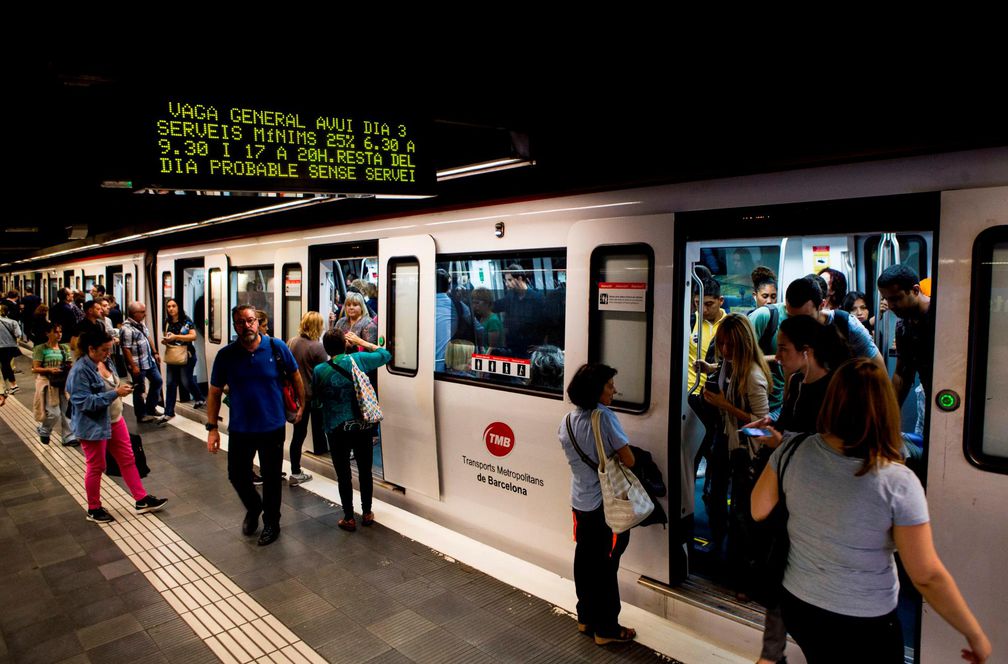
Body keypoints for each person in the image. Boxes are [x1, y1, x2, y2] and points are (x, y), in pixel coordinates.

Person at [751, 359, 991, 663]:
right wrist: (974, 633)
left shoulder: (792, 449)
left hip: (800, 605)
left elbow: (758, 509)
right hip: (864, 619)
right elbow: (926, 575)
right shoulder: (897, 481)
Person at [746, 315, 848, 664]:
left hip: (816, 494)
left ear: (807, 352)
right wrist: (772, 426)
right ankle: (771, 653)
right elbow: (792, 425)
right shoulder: (796, 384)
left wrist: (783, 441)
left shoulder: (836, 389)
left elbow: (829, 444)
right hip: (790, 488)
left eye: (784, 350)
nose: (778, 356)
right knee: (779, 570)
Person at [205, 305, 304, 546]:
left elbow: (295, 375)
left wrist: (302, 405)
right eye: (240, 322)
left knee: (271, 478)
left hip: (272, 426)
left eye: (251, 320)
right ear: (235, 325)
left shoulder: (276, 347)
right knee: (237, 475)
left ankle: (272, 523)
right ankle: (254, 506)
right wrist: (212, 428)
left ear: (258, 322)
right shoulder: (226, 355)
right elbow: (215, 392)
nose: (246, 325)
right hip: (241, 427)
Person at [558, 363, 637, 645]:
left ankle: (585, 617)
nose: (614, 390)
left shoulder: (566, 422)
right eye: (609, 385)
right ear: (596, 390)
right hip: (606, 505)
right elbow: (628, 460)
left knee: (585, 558)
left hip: (580, 501)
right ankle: (606, 628)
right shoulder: (604, 418)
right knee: (607, 563)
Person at [693, 313, 771, 586]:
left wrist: (726, 406)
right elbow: (722, 370)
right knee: (715, 497)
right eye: (722, 344)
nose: (725, 351)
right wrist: (709, 368)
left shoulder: (752, 376)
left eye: (730, 345)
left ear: (744, 344)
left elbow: (763, 427)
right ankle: (722, 552)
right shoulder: (729, 366)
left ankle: (745, 577)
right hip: (727, 442)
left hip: (744, 451)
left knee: (741, 511)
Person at [66, 329, 167, 523]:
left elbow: (112, 384)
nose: (108, 353)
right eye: (104, 350)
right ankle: (93, 508)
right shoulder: (80, 371)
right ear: (91, 349)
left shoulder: (106, 362)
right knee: (97, 466)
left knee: (128, 458)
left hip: (114, 419)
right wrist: (115, 394)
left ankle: (141, 499)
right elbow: (83, 402)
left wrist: (121, 389)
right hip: (93, 426)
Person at [314, 328, 390, 531]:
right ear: (345, 344)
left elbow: (316, 399)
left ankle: (348, 517)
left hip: (335, 428)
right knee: (365, 471)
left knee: (343, 474)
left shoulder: (319, 370)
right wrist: (363, 342)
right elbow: (385, 355)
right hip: (362, 426)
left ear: (326, 348)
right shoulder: (359, 359)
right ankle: (367, 512)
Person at [877, 265, 933, 407]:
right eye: (886, 299)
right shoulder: (903, 326)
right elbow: (902, 373)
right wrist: (889, 416)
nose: (890, 305)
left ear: (915, 290)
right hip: (930, 399)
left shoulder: (939, 315)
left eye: (895, 299)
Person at [287, 312, 329, 483]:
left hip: (293, 395)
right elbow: (322, 373)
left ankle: (295, 468)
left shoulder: (292, 341)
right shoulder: (317, 348)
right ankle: (296, 472)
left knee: (297, 434)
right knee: (303, 433)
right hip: (309, 396)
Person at [160, 298, 206, 424]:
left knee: (186, 381)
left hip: (187, 355)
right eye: (168, 306)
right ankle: (168, 412)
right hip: (172, 356)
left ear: (178, 307)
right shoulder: (166, 322)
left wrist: (176, 337)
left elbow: (193, 336)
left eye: (173, 306)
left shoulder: (186, 321)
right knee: (170, 384)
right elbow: (167, 336)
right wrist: (166, 340)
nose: (171, 309)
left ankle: (199, 397)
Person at [32, 322, 78, 446]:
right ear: (48, 333)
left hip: (63, 382)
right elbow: (35, 368)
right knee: (53, 412)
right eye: (56, 332)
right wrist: (49, 370)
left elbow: (69, 363)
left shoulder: (64, 348)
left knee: (66, 410)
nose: (59, 335)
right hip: (48, 383)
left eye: (60, 332)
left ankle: (68, 437)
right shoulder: (40, 348)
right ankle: (45, 430)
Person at [120, 302, 163, 423]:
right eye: (142, 312)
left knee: (157, 381)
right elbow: (126, 348)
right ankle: (141, 414)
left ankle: (150, 407)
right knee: (139, 389)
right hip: (137, 364)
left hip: (148, 361)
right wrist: (133, 366)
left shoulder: (141, 324)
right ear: (134, 314)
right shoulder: (126, 329)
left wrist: (155, 352)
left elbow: (148, 338)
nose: (145, 314)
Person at [494, 263, 545, 359]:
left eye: (509, 280)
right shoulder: (511, 296)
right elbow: (495, 306)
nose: (506, 284)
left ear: (520, 279)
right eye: (505, 280)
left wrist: (541, 348)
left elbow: (546, 325)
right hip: (513, 349)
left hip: (530, 351)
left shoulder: (537, 298)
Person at [471, 287, 503, 352]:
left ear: (487, 303)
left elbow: (492, 348)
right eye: (473, 303)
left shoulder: (493, 321)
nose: (474, 306)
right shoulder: (481, 317)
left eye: (477, 303)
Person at [0, 303, 23, 394]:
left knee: (5, 365)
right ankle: (9, 386)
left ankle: (13, 385)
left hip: (1, 347)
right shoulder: (13, 322)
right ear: (7, 312)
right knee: (6, 365)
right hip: (11, 347)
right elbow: (18, 334)